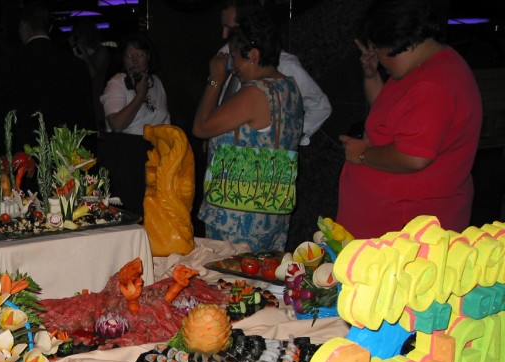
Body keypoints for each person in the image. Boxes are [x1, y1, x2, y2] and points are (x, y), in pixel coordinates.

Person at [337, 0, 483, 239]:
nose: (379, 59)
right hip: (396, 225)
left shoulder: (432, 84)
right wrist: (372, 76)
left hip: (404, 229)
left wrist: (361, 155)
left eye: (377, 51)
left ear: (394, 45)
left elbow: (414, 157)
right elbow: (390, 119)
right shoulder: (422, 67)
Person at [193, 10, 303, 251]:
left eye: (235, 57)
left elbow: (201, 127)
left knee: (228, 283)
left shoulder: (255, 93)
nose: (232, 66)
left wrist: (215, 80)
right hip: (272, 210)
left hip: (238, 217)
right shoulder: (290, 87)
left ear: (253, 55)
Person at [218, 0, 330, 147]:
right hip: (225, 153)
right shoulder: (226, 52)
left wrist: (288, 137)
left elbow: (320, 106)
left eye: (229, 28)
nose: (224, 34)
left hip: (257, 159)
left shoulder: (285, 66)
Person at [0, 1, 95, 151]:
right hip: (64, 156)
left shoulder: (6, 66)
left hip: (21, 157)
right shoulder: (75, 65)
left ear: (23, 27)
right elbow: (85, 119)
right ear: (50, 28)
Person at [100, 32, 170, 135]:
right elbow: (116, 125)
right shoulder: (117, 83)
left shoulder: (156, 82)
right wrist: (140, 95)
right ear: (123, 59)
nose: (135, 61)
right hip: (126, 147)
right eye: (129, 56)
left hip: (155, 147)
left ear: (148, 56)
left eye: (140, 54)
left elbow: (165, 121)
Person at [69, 19, 110, 131]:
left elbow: (93, 74)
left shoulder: (101, 51)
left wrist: (84, 53)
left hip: (95, 98)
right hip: (80, 99)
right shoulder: (76, 53)